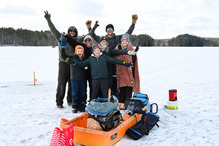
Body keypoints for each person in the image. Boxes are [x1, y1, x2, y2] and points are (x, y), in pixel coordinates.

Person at [44, 10, 97, 108]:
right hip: (63, 63)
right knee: (62, 83)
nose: (72, 32)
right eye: (70, 31)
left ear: (76, 33)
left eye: (74, 31)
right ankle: (59, 102)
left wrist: (93, 28)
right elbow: (53, 30)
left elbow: (87, 36)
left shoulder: (77, 40)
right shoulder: (61, 37)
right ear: (68, 32)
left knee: (72, 83)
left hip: (73, 63)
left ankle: (70, 100)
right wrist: (48, 20)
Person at [85, 15, 138, 97]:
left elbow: (127, 34)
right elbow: (93, 36)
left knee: (116, 82)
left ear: (113, 30)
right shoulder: (102, 39)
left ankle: (117, 98)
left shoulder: (117, 38)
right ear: (106, 31)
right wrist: (89, 28)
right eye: (108, 29)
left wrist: (133, 23)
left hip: (116, 63)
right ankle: (105, 97)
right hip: (105, 64)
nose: (109, 30)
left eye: (111, 29)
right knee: (107, 83)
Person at [64, 45, 133, 100]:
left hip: (104, 79)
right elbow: (82, 64)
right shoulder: (90, 59)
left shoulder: (104, 57)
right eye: (95, 50)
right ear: (93, 51)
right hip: (95, 80)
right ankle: (93, 107)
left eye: (98, 50)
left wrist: (125, 63)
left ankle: (107, 107)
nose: (97, 51)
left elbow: (114, 61)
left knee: (105, 94)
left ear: (100, 51)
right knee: (94, 94)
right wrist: (74, 62)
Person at [114, 33, 140, 109]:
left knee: (128, 91)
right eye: (123, 41)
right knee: (121, 92)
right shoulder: (117, 49)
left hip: (128, 75)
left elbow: (134, 63)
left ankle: (128, 107)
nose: (124, 43)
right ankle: (121, 106)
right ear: (121, 42)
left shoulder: (132, 50)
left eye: (126, 41)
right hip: (120, 74)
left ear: (128, 42)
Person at [68, 45, 87, 113]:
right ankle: (74, 106)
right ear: (76, 51)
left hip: (83, 78)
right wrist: (63, 48)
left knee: (83, 93)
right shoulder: (72, 58)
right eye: (78, 51)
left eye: (81, 51)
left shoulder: (85, 58)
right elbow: (64, 57)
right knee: (75, 93)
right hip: (74, 78)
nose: (80, 52)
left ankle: (82, 106)